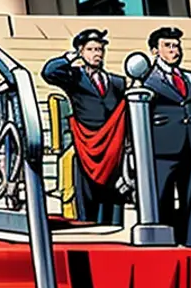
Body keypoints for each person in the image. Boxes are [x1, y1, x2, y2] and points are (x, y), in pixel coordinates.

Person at [40, 28, 127, 226]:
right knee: (87, 192)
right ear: (81, 52)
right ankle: (87, 225)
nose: (97, 54)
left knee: (113, 194)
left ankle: (113, 226)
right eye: (91, 49)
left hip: (113, 145)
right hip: (86, 143)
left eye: (100, 49)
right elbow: (49, 72)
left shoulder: (116, 81)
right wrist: (69, 58)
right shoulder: (74, 77)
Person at [143, 26, 191, 248]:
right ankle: (164, 243)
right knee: (161, 198)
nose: (175, 50)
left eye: (177, 45)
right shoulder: (147, 80)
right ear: (155, 50)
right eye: (168, 45)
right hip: (162, 148)